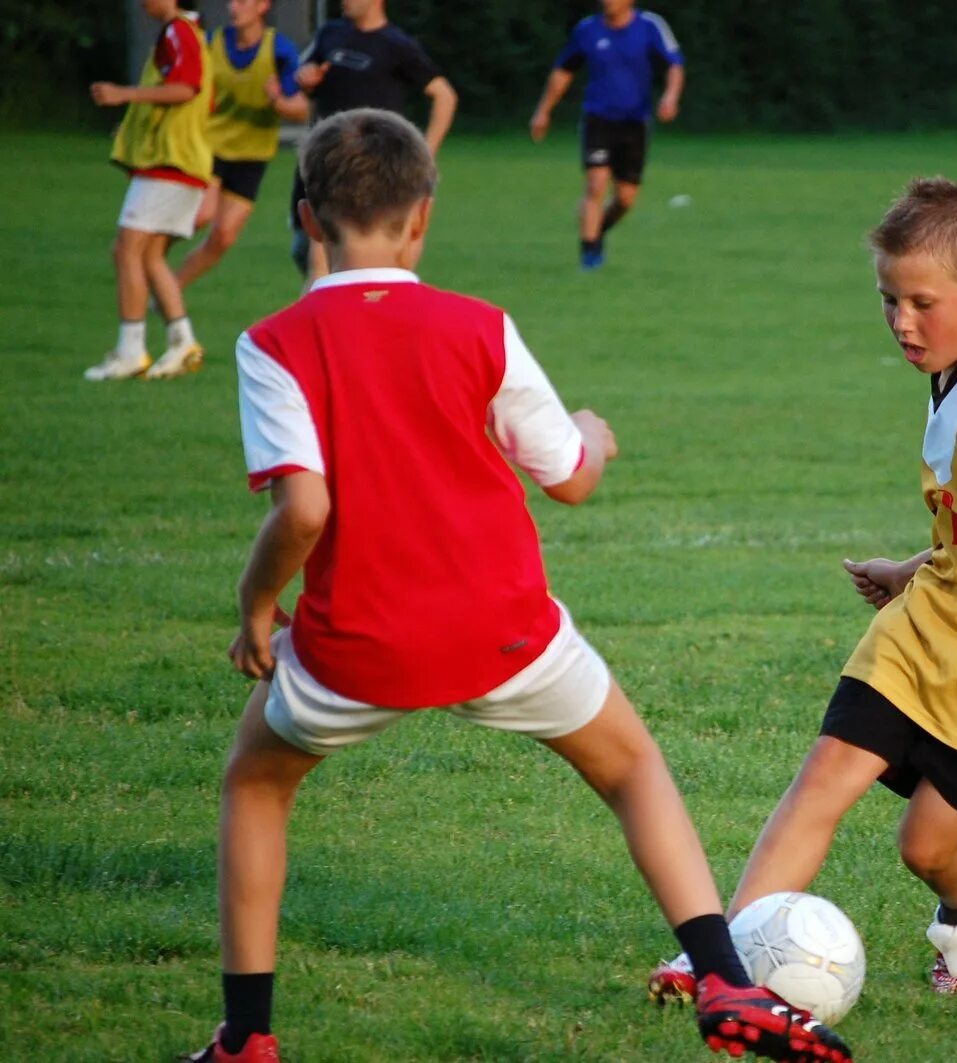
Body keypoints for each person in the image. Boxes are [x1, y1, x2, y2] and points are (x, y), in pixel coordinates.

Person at [183, 109, 850, 1063]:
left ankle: (246, 1038)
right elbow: (571, 478)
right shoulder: (479, 327)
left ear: (305, 215)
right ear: (422, 219)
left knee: (257, 783)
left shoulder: (273, 343)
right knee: (630, 770)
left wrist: (255, 609)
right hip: (505, 629)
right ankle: (722, 977)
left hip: (356, 643)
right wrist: (594, 429)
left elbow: (302, 509)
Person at [650, 178, 957, 1002]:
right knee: (823, 777)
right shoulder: (948, 370)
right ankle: (718, 963)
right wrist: (911, 570)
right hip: (930, 620)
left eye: (921, 302)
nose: (902, 321)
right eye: (888, 300)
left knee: (927, 846)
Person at [85, 0, 212, 382]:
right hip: (182, 163)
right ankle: (181, 341)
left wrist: (125, 95)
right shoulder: (190, 33)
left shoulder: (179, 31)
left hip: (171, 163)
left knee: (127, 249)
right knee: (150, 255)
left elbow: (185, 88)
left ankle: (130, 351)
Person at [288, 0, 456, 280]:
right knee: (302, 249)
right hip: (323, 164)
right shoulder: (330, 35)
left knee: (322, 263)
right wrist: (306, 82)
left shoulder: (396, 45)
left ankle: (327, 317)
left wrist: (424, 154)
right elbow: (304, 86)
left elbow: (444, 95)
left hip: (369, 170)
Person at [529, 0, 684, 270]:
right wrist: (544, 111)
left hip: (635, 122)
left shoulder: (650, 26)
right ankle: (589, 256)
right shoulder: (587, 30)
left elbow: (674, 65)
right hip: (598, 119)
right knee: (596, 184)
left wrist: (670, 96)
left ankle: (596, 230)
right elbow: (564, 71)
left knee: (625, 198)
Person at [174, 0, 309, 290]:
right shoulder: (212, 44)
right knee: (202, 215)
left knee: (223, 237)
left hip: (251, 156)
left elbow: (300, 109)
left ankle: (169, 288)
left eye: (243, 1)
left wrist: (276, 100)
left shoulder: (279, 51)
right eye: (232, 1)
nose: (234, 7)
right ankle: (144, 256)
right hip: (210, 146)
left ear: (262, 7)